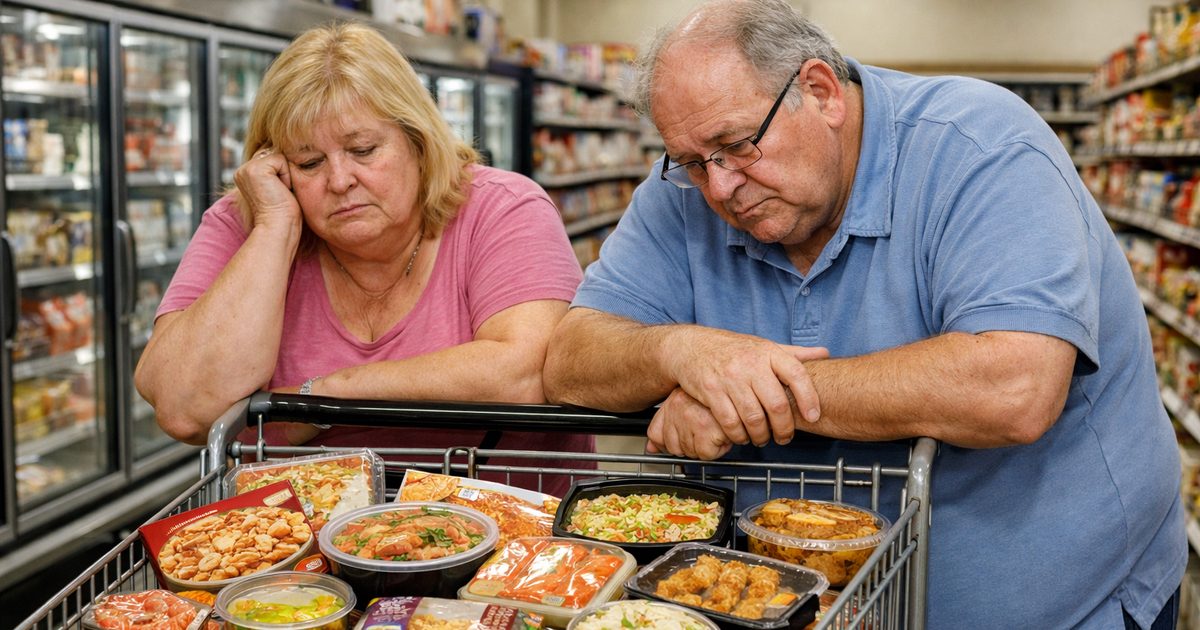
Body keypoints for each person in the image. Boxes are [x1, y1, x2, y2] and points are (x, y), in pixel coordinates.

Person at [541, 0, 1185, 627]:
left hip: (1058, 603)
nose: (720, 187)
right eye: (691, 162)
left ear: (822, 93)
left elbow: (1015, 387)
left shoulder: (982, 146)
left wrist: (747, 393)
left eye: (736, 145)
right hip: (788, 604)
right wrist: (681, 352)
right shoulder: (685, 188)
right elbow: (571, 359)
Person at [135, 21, 587, 494]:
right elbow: (183, 409)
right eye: (309, 162)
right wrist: (274, 229)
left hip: (507, 522)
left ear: (417, 140)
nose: (339, 180)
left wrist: (322, 398)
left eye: (363, 150)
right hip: (295, 530)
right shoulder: (248, 221)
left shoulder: (503, 208)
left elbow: (524, 374)